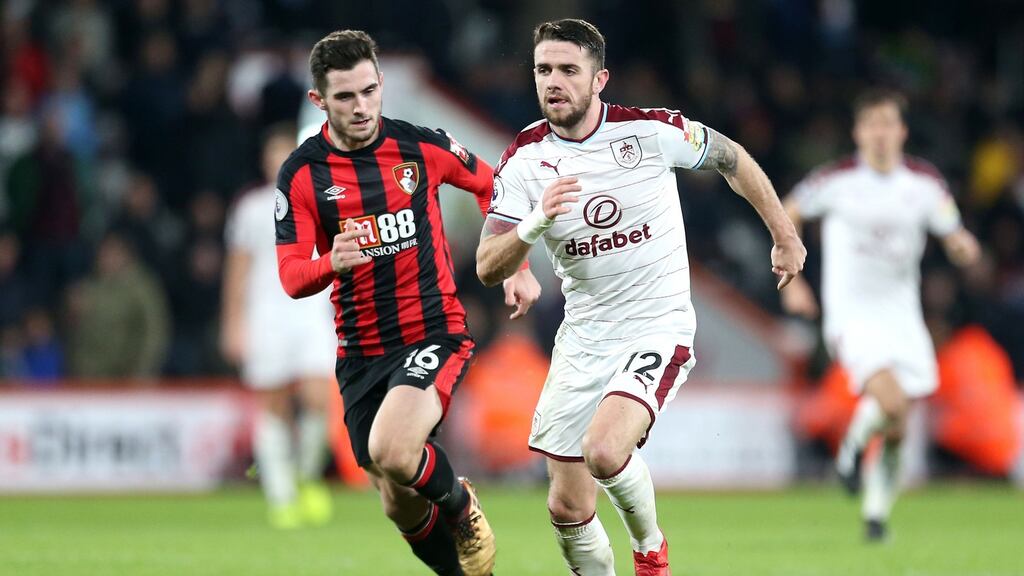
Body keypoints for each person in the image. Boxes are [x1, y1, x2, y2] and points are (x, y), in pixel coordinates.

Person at [475, 19, 806, 576]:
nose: (553, 81)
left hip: (657, 322)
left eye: (567, 70)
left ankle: (651, 550)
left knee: (605, 450)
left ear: (600, 79)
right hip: (583, 337)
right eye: (543, 70)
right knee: (567, 505)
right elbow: (488, 264)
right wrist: (533, 228)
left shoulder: (649, 133)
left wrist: (784, 235)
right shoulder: (524, 159)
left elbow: (732, 159)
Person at [275, 30, 540, 576]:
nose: (362, 106)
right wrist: (331, 262)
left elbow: (496, 186)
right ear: (318, 100)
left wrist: (516, 263)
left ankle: (463, 506)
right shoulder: (302, 174)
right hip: (360, 355)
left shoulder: (420, 148)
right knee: (398, 499)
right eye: (346, 96)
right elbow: (292, 277)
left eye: (370, 91)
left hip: (432, 332)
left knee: (396, 451)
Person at [781, 89, 980, 542]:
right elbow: (787, 211)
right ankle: (850, 450)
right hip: (852, 314)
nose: (880, 132)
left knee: (898, 425)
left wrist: (962, 245)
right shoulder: (835, 179)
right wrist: (793, 281)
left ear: (902, 131)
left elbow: (952, 230)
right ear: (857, 132)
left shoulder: (925, 184)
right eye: (871, 123)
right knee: (889, 402)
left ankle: (875, 516)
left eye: (888, 123)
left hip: (902, 315)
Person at [221, 123, 336, 529]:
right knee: (272, 403)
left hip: (311, 312)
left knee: (317, 396)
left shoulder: (324, 202)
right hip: (265, 315)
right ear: (265, 160)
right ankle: (282, 494)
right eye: (275, 154)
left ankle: (306, 476)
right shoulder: (251, 208)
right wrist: (233, 323)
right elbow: (238, 269)